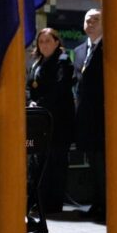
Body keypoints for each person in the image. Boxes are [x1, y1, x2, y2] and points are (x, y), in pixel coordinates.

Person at [27, 28, 75, 216]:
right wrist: (31, 102)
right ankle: (40, 201)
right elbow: (30, 87)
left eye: (48, 41)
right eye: (41, 41)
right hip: (40, 121)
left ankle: (53, 204)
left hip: (58, 121)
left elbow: (60, 89)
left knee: (56, 162)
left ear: (56, 42)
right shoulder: (37, 63)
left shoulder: (63, 61)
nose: (44, 45)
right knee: (40, 163)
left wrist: (39, 103)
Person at [72, 9, 105, 222]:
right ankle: (98, 202)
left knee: (104, 164)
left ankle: (108, 204)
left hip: (103, 117)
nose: (90, 23)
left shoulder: (112, 47)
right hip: (85, 118)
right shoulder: (79, 50)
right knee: (93, 164)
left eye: (96, 20)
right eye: (87, 20)